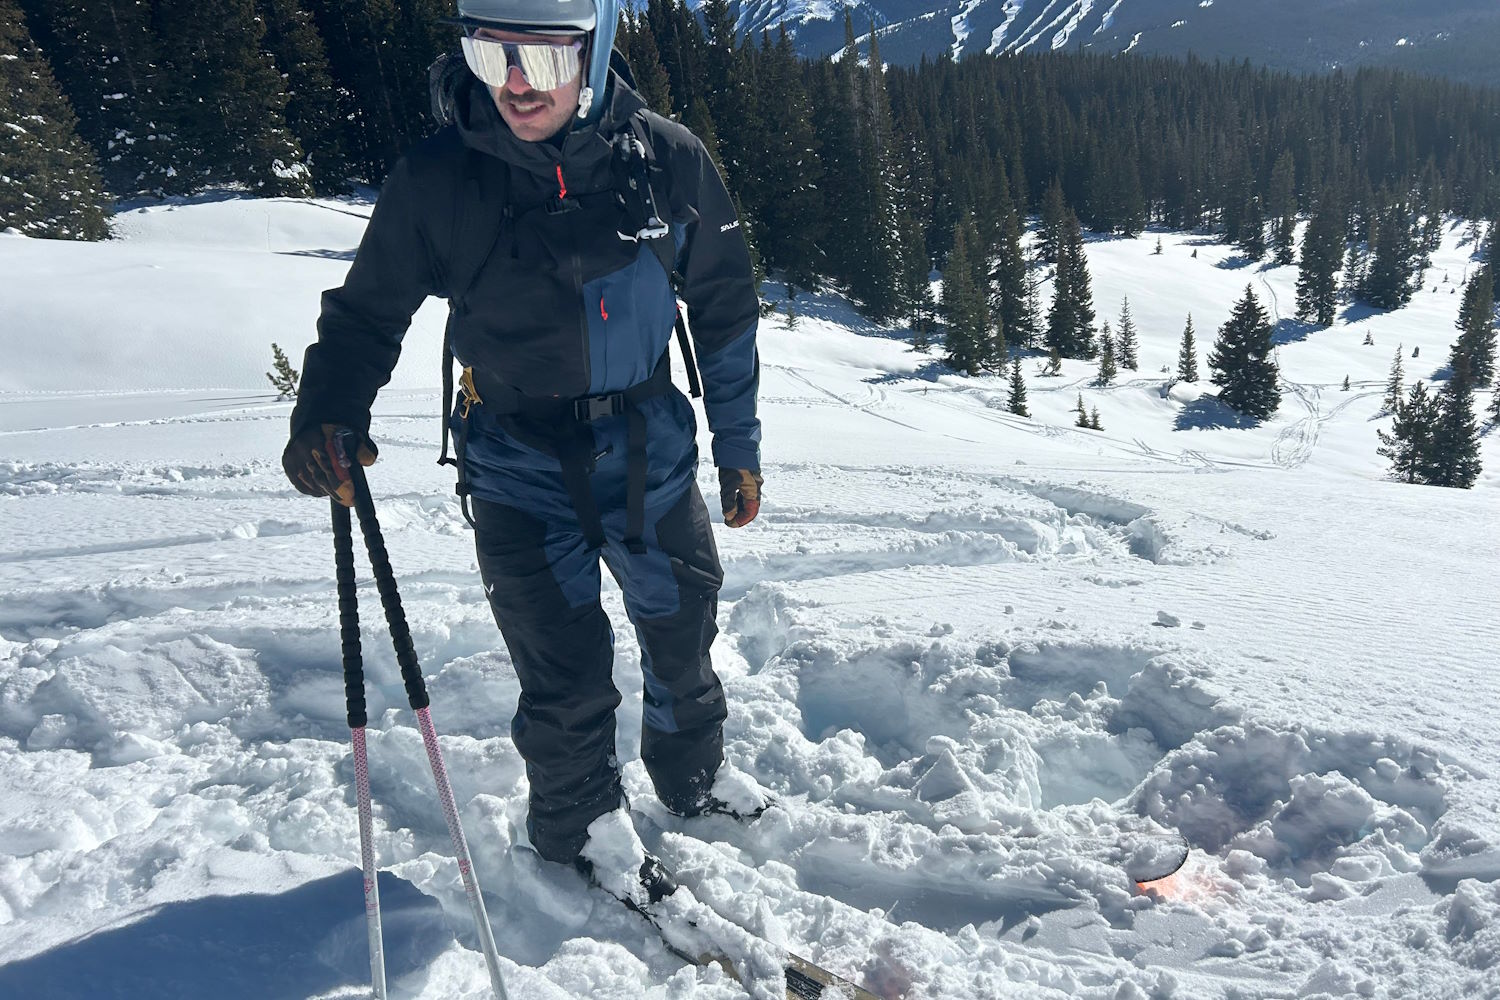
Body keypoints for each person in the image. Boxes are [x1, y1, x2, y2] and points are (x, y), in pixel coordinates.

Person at [281, 0, 765, 884]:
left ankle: (692, 779)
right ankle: (582, 837)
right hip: (515, 470)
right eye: (487, 52)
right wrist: (327, 411)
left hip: (651, 460)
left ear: (595, 52)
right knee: (565, 678)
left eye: (538, 62)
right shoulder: (440, 179)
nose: (511, 84)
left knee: (683, 635)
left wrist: (739, 445)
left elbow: (726, 305)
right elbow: (366, 314)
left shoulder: (664, 160)